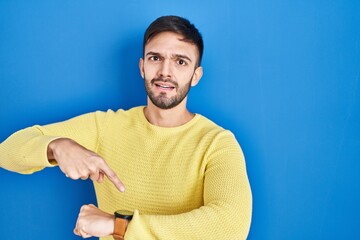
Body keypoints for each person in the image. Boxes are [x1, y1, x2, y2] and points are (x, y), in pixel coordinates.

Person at [0, 15, 252, 239]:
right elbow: (6, 153)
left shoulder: (217, 143)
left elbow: (230, 226)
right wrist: (56, 146)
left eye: (180, 62)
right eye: (156, 58)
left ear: (196, 76)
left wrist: (118, 225)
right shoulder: (106, 126)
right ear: (142, 67)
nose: (165, 72)